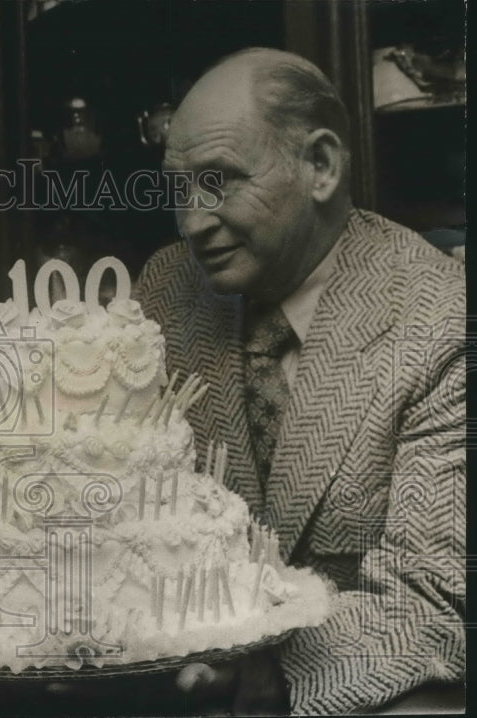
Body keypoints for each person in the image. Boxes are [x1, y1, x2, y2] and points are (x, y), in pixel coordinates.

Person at [131, 48, 465, 714]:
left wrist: (254, 663)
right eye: (178, 189)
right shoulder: (164, 292)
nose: (192, 222)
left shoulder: (442, 318)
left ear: (321, 165)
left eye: (219, 180)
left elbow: (427, 603)